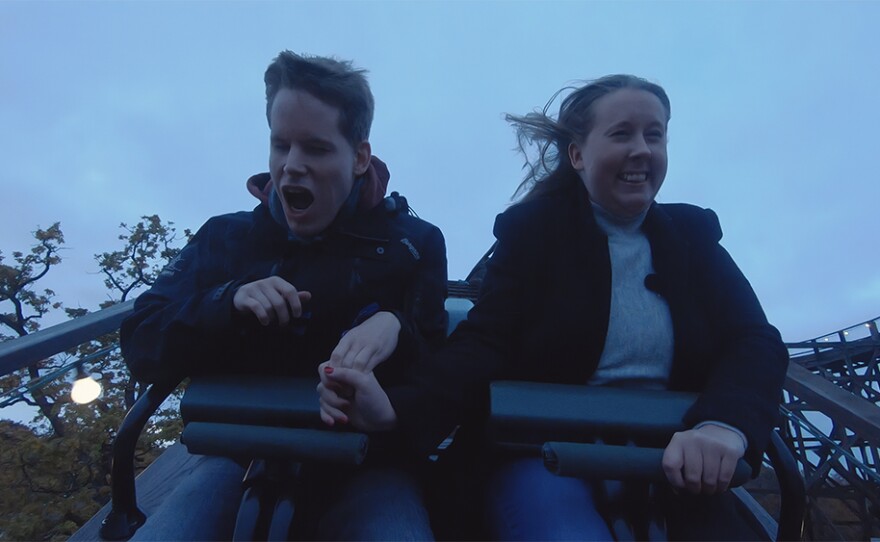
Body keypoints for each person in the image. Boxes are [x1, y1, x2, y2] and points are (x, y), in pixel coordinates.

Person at [318, 74, 789, 540]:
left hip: (673, 460)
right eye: (621, 133)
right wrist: (400, 411)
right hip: (542, 456)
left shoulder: (694, 237)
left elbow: (754, 339)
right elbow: (485, 342)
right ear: (578, 155)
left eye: (655, 134)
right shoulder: (534, 233)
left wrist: (724, 423)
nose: (642, 149)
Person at [120, 50, 448, 540]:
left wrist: (398, 326)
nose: (291, 167)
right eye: (281, 146)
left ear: (359, 157)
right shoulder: (224, 238)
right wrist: (226, 302)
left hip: (367, 467)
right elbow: (141, 339)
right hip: (233, 457)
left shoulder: (414, 245)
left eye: (316, 149)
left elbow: (443, 376)